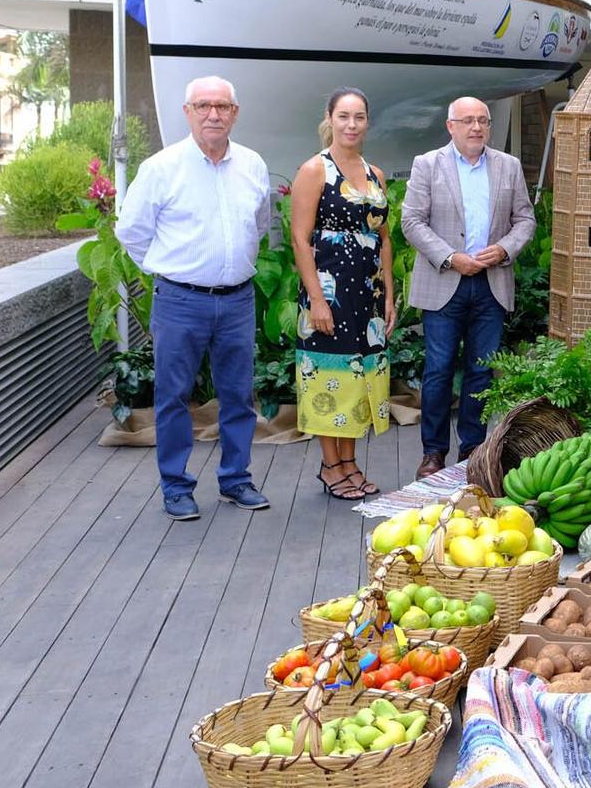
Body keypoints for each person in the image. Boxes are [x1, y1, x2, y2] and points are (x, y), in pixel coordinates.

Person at [115, 75, 272, 520]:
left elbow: (259, 225)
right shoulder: (161, 168)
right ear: (188, 112)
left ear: (235, 113)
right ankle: (176, 486)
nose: (213, 114)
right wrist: (173, 271)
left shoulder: (253, 164)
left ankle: (236, 480)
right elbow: (131, 233)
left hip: (238, 300)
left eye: (222, 106)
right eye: (203, 106)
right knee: (173, 397)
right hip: (180, 300)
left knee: (239, 395)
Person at [401, 96, 537, 481]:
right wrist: (449, 256)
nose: (476, 128)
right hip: (445, 281)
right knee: (439, 371)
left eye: (483, 121)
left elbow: (525, 219)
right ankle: (433, 452)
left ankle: (473, 451)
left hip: (491, 284)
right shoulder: (428, 165)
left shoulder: (508, 166)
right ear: (451, 126)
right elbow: (412, 221)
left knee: (481, 373)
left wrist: (506, 248)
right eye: (467, 121)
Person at [289, 88, 396, 500]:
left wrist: (387, 293)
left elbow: (384, 238)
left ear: (368, 122)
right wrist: (316, 298)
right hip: (330, 292)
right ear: (330, 119)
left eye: (359, 117)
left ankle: (349, 462)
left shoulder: (376, 174)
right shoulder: (315, 169)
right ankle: (330, 466)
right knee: (329, 377)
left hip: (365, 296)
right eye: (344, 116)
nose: (352, 124)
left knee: (357, 378)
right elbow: (300, 239)